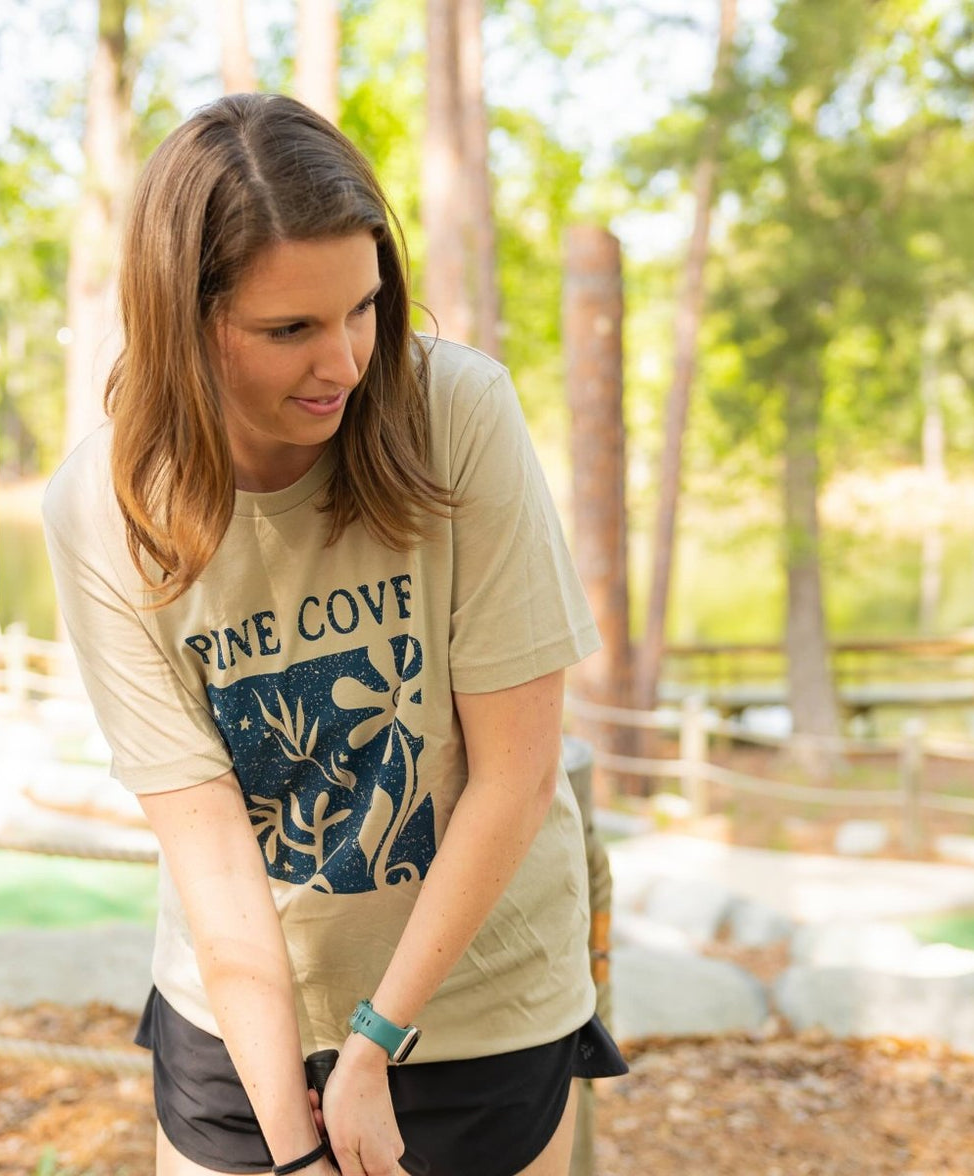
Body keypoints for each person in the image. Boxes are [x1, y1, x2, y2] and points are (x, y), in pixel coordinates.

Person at [43, 92, 626, 1176]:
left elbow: (515, 775)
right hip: (241, 1014)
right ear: (183, 320)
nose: (346, 362)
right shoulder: (102, 508)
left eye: (363, 308)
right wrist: (296, 1147)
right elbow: (213, 857)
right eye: (289, 330)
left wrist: (374, 1044)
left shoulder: (458, 413)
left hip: (480, 1000)